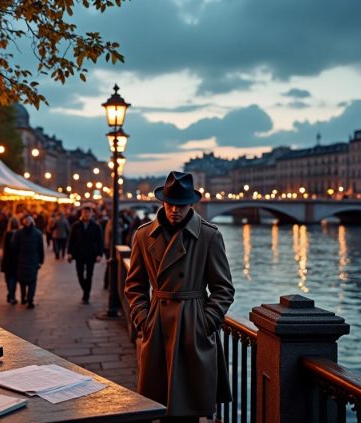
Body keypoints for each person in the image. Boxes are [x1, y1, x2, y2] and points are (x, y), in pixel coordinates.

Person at [124, 171, 235, 421]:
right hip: (158, 327)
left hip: (191, 328)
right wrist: (144, 319)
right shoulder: (143, 236)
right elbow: (134, 286)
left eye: (182, 205)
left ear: (191, 205)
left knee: (190, 408)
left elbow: (223, 288)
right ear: (163, 202)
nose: (175, 210)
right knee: (159, 406)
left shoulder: (209, 235)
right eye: (171, 204)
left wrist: (204, 323)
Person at [67, 206, 104, 304]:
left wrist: (100, 254)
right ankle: (86, 289)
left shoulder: (96, 226)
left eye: (88, 213)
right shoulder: (76, 226)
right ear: (81, 214)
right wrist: (69, 253)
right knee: (79, 274)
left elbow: (100, 242)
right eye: (84, 212)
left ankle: (86, 295)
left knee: (89, 275)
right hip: (79, 254)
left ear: (91, 214)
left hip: (91, 254)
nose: (86, 214)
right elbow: (71, 240)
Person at [12, 214, 44, 308]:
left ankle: (24, 298)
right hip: (31, 261)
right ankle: (29, 300)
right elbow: (40, 249)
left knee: (23, 281)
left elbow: (14, 247)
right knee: (31, 281)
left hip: (22, 261)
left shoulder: (19, 233)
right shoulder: (37, 233)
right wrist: (41, 261)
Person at [0, 217, 20, 304]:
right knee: (14, 279)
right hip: (16, 259)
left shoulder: (7, 234)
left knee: (8, 279)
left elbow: (4, 248)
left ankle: (11, 295)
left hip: (7, 259)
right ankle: (12, 295)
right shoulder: (19, 234)